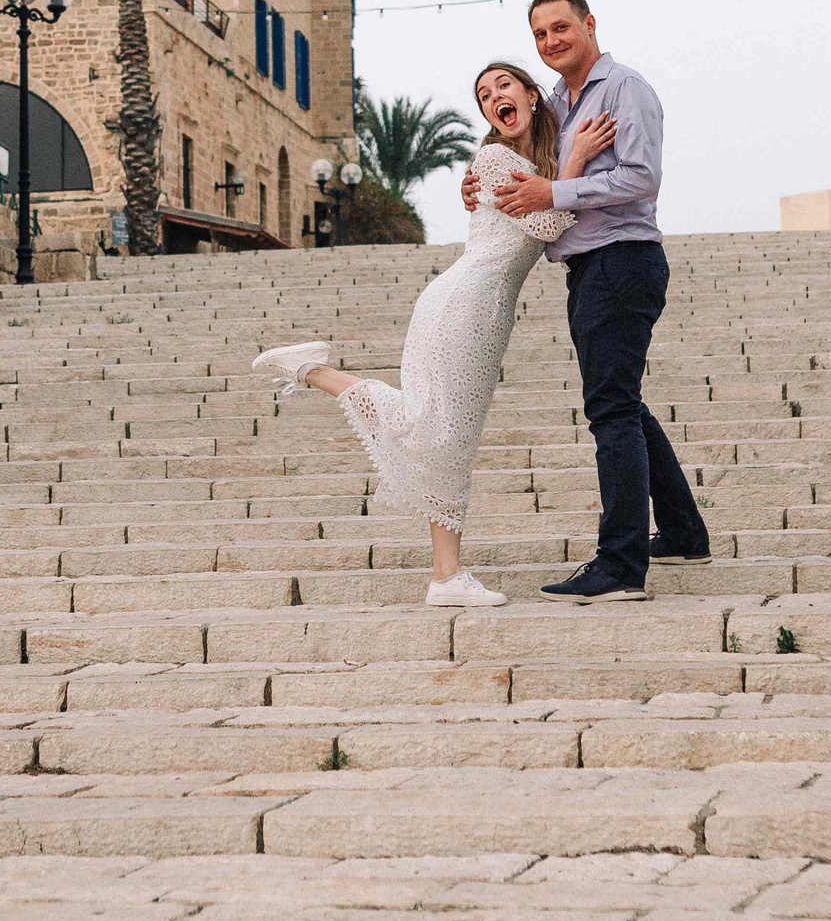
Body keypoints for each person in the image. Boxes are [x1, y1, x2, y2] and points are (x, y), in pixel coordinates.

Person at [253, 62, 615, 607]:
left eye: (503, 86)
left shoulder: (532, 164)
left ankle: (446, 577)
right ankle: (311, 371)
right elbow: (548, 222)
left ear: (531, 95)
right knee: (443, 433)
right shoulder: (495, 159)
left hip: (483, 314)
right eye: (484, 95)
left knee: (448, 437)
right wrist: (578, 160)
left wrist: (566, 162)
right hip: (461, 307)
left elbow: (548, 211)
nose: (494, 97)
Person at [463, 0, 713, 603]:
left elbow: (641, 177)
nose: (551, 41)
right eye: (540, 34)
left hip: (622, 260)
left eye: (560, 27)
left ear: (589, 24)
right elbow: (523, 150)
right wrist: (477, 180)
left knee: (612, 411)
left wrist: (556, 194)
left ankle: (620, 566)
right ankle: (683, 532)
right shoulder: (556, 102)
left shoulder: (624, 88)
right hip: (589, 267)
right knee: (623, 402)